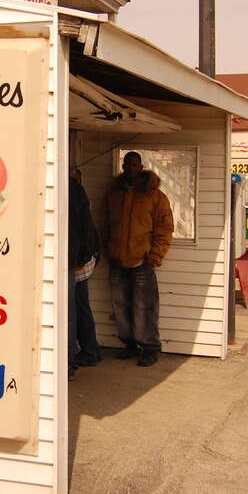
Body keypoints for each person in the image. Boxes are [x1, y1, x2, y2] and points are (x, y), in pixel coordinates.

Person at [103, 151, 174, 367]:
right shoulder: (113, 195)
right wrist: (108, 248)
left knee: (144, 307)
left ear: (141, 167)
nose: (131, 168)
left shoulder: (155, 196)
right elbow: (105, 224)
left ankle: (149, 347)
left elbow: (165, 227)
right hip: (117, 260)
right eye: (127, 164)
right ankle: (130, 344)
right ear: (123, 167)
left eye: (135, 165)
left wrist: (156, 254)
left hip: (142, 261)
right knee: (120, 306)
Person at [68, 170, 101, 379]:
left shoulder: (71, 190)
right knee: (79, 308)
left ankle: (72, 361)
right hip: (80, 258)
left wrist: (81, 257)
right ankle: (89, 351)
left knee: (71, 311)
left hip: (75, 260)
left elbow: (82, 227)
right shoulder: (76, 190)